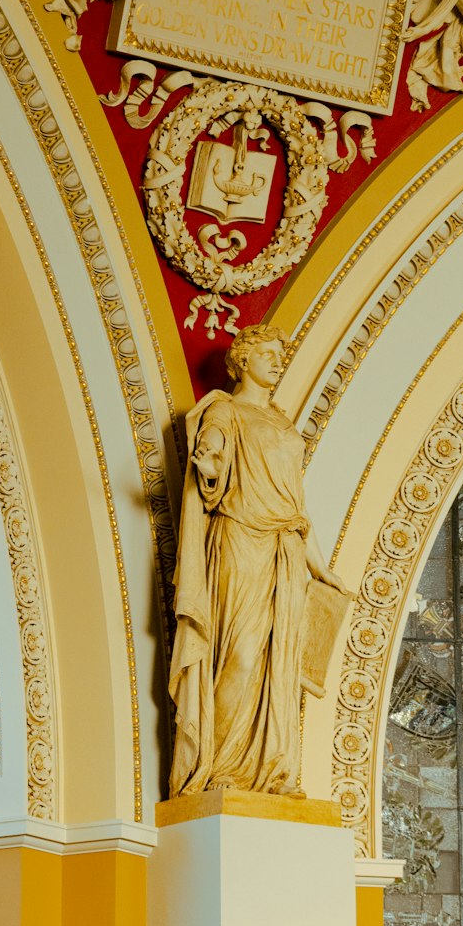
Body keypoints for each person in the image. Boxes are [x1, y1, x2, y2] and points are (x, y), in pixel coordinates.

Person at [168, 325, 346, 798]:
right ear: (243, 361)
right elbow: (212, 460)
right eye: (267, 354)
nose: (277, 361)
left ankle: (271, 772)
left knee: (278, 665)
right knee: (241, 656)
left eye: (279, 354)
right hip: (241, 539)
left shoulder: (283, 423)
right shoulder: (225, 410)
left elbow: (296, 507)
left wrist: (319, 567)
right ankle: (221, 765)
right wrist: (208, 467)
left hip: (285, 548)